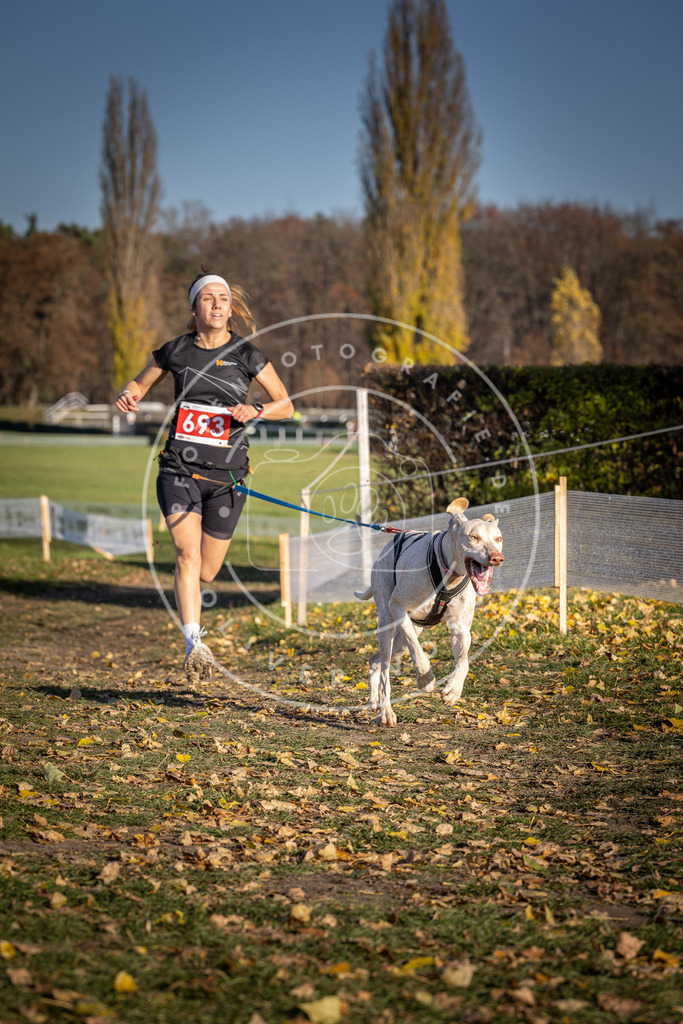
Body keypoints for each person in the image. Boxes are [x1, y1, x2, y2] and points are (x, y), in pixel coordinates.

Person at [115, 271, 293, 683]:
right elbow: (138, 385)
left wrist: (258, 411)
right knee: (186, 553)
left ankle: (193, 617)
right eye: (209, 299)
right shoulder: (174, 351)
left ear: (231, 308)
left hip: (228, 476)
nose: (217, 305)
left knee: (207, 570)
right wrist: (130, 395)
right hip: (178, 468)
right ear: (194, 308)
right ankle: (194, 641)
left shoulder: (248, 355)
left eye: (224, 299)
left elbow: (285, 403)